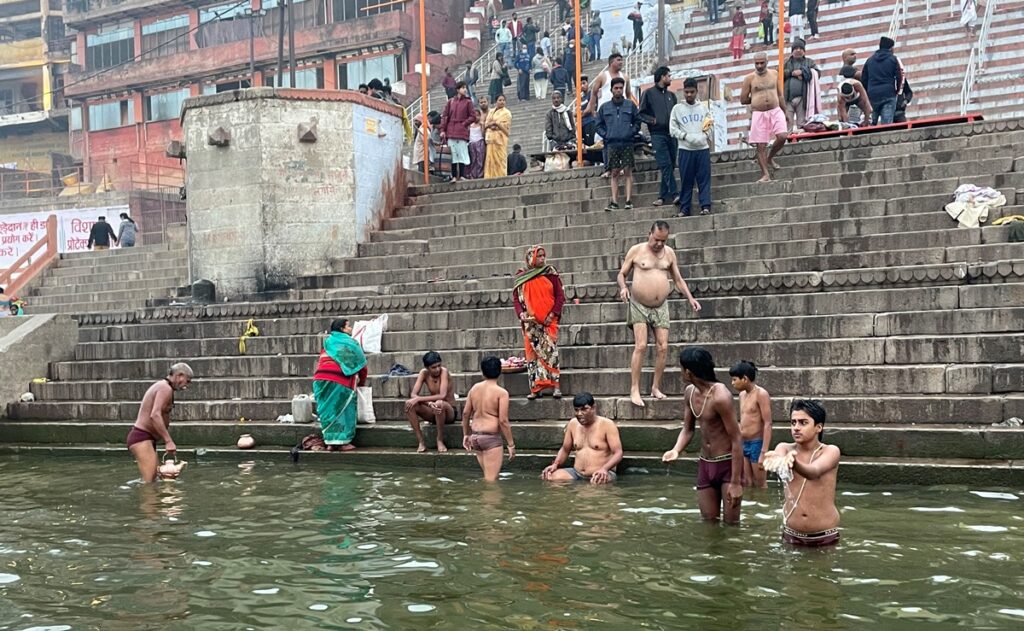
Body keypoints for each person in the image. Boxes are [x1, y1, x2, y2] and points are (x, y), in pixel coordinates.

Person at [617, 221, 701, 407]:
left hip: (661, 304)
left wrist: (690, 298)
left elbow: (678, 279)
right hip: (639, 303)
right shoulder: (636, 251)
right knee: (641, 345)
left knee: (663, 346)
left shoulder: (669, 253)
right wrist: (623, 288)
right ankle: (635, 388)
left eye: (663, 241)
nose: (659, 244)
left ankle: (655, 387)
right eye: (656, 240)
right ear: (650, 234)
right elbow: (621, 274)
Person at [661, 347, 744, 524]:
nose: (680, 372)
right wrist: (676, 450)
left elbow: (737, 439)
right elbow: (688, 429)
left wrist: (736, 483)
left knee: (732, 526)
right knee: (708, 523)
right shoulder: (690, 392)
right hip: (705, 465)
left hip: (728, 465)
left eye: (681, 368)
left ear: (688, 372)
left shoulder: (721, 396)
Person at [763, 400, 841, 546]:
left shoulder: (831, 451)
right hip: (791, 535)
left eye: (803, 423)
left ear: (818, 427)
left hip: (824, 536)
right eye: (793, 423)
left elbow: (814, 472)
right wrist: (778, 459)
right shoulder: (785, 448)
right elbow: (779, 456)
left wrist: (794, 462)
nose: (796, 428)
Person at [126, 363, 193, 483]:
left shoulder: (164, 387)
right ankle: (150, 501)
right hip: (142, 437)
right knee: (149, 483)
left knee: (154, 479)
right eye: (187, 381)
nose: (186, 386)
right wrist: (168, 441)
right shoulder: (165, 388)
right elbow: (155, 415)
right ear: (179, 375)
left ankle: (155, 501)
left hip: (147, 438)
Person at [513, 245, 564, 400]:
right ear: (531, 258)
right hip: (530, 323)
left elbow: (560, 297)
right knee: (532, 355)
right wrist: (520, 313)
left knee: (551, 353)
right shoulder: (522, 276)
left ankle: (556, 387)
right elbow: (516, 299)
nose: (542, 259)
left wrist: (552, 314)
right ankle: (535, 388)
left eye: (543, 256)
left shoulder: (551, 273)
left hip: (549, 322)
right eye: (539, 256)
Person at [312, 318, 368, 452]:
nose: (351, 329)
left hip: (320, 379)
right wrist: (362, 382)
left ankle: (330, 443)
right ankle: (342, 443)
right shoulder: (351, 343)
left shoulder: (328, 342)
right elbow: (362, 366)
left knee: (328, 411)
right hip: (339, 380)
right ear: (342, 329)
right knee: (344, 410)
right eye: (348, 326)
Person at [542, 393, 623, 484]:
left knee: (596, 483)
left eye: (584, 409)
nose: (579, 414)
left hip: (602, 473)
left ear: (593, 408)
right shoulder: (572, 424)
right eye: (576, 410)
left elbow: (618, 453)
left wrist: (604, 469)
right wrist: (555, 464)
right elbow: (565, 449)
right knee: (550, 477)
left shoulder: (607, 425)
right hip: (577, 473)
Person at [461, 356, 516, 482]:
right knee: (491, 482)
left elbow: (465, 413)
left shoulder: (474, 388)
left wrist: (466, 434)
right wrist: (511, 444)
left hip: (475, 437)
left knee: (488, 477)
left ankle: (485, 501)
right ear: (500, 371)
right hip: (490, 438)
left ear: (482, 371)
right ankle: (490, 502)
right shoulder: (501, 393)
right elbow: (503, 421)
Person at [741, 52, 788, 183]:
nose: (760, 66)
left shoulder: (774, 73)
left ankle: (770, 157)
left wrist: (785, 112)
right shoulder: (749, 78)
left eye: (762, 63)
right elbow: (743, 99)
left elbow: (780, 95)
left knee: (783, 136)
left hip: (775, 109)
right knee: (760, 145)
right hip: (759, 113)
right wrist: (757, 99)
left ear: (767, 61)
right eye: (757, 63)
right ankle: (765, 174)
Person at [670, 78, 713, 217]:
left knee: (704, 179)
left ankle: (705, 206)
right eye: (686, 92)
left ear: (696, 91)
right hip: (685, 149)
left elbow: (710, 125)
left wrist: (704, 136)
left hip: (702, 149)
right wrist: (684, 136)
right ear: (683, 91)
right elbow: (672, 128)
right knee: (686, 180)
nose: (689, 95)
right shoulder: (677, 109)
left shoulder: (703, 108)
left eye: (692, 92)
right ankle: (684, 208)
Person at [596, 77, 640, 211]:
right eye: (616, 88)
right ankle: (614, 202)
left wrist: (630, 132)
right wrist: (607, 135)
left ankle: (628, 201)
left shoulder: (630, 105)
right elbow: (598, 125)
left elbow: (638, 121)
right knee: (614, 172)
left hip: (627, 142)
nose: (619, 90)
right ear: (611, 90)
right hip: (612, 143)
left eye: (621, 88)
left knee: (627, 171)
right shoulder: (604, 107)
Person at [729, 360, 772, 489]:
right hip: (743, 442)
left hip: (756, 444)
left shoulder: (761, 394)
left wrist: (763, 452)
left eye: (734, 379)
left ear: (745, 379)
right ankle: (751, 508)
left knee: (760, 484)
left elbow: (768, 423)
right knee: (747, 483)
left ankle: (762, 506)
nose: (732, 383)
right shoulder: (742, 395)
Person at [639, 66, 678, 208]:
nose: (670, 78)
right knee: (665, 164)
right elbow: (641, 113)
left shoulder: (671, 96)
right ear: (662, 77)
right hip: (657, 134)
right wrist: (652, 121)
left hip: (672, 134)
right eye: (668, 76)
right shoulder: (648, 93)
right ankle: (674, 194)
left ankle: (662, 196)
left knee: (671, 164)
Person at [405, 351, 456, 453]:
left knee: (439, 403)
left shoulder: (444, 372)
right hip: (433, 411)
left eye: (439, 366)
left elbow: (442, 395)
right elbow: (413, 394)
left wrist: (419, 399)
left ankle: (440, 440)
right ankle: (421, 442)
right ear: (427, 368)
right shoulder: (423, 373)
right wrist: (428, 403)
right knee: (409, 404)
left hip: (449, 412)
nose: (437, 369)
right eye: (433, 367)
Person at [861, 36, 905, 125]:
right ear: (891, 48)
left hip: (872, 95)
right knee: (886, 125)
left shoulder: (869, 61)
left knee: (871, 123)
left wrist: (867, 92)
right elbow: (900, 76)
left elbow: (864, 79)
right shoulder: (894, 59)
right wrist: (897, 91)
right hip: (888, 94)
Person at [440, 81, 477, 183]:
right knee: (453, 154)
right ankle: (453, 176)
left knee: (461, 154)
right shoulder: (450, 102)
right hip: (451, 131)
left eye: (465, 87)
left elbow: (473, 116)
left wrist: (464, 124)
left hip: (462, 132)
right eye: (462, 88)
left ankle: (461, 175)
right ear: (457, 90)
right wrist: (442, 130)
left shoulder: (468, 102)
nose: (465, 89)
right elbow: (445, 116)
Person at [783, 38, 819, 131]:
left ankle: (801, 139)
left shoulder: (809, 62)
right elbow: (778, 73)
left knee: (802, 123)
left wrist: (803, 72)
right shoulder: (786, 62)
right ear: (792, 51)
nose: (798, 50)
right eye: (796, 48)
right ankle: (787, 141)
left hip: (802, 98)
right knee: (787, 122)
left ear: (804, 51)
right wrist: (792, 73)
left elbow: (817, 73)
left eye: (800, 48)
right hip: (787, 98)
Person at [467, 98, 488, 179]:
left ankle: (480, 174)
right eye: (474, 115)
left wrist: (482, 125)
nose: (476, 117)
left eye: (478, 115)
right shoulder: (470, 125)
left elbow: (483, 134)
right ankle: (473, 174)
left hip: (480, 142)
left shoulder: (481, 124)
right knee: (473, 160)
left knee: (480, 160)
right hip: (472, 143)